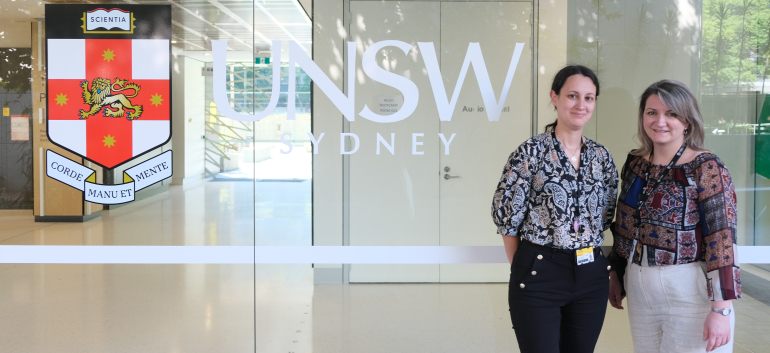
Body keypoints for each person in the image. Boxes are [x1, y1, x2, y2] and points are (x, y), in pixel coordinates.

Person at [491, 65, 619, 353]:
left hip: (590, 276)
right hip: (540, 271)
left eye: (589, 97)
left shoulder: (602, 157)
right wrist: (524, 268)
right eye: (572, 95)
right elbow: (507, 219)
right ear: (554, 97)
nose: (581, 105)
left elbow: (607, 214)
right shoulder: (530, 152)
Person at [607, 80, 740, 353]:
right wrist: (615, 272)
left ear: (688, 121)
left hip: (688, 289)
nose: (660, 121)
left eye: (671, 114)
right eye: (651, 112)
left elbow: (722, 238)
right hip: (639, 284)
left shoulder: (706, 167)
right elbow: (624, 223)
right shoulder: (636, 163)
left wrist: (722, 309)